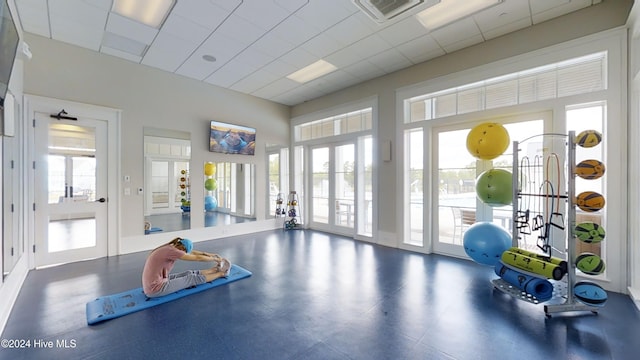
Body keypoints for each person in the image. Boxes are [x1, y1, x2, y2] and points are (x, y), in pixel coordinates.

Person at [142, 237, 231, 298]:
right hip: (155, 289)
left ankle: (215, 269)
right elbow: (197, 258)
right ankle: (222, 273)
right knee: (191, 279)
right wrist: (215, 259)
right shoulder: (173, 251)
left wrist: (211, 255)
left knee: (188, 273)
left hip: (157, 281)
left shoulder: (170, 247)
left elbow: (194, 253)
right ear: (183, 249)